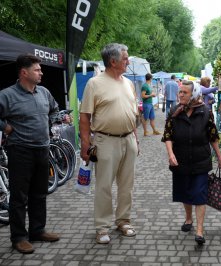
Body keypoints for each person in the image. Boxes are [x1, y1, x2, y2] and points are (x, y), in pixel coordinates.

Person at [0, 54, 60, 254]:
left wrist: (49, 124)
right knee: (19, 197)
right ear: (24, 73)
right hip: (20, 151)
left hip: (43, 149)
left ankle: (37, 230)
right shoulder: (7, 95)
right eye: (37, 70)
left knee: (40, 193)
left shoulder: (43, 92)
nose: (41, 73)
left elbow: (54, 109)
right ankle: (18, 237)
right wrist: (5, 127)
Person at [79, 43, 139, 245]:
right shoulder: (94, 84)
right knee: (104, 186)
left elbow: (133, 113)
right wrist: (85, 144)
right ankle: (102, 227)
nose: (128, 61)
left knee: (127, 185)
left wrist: (135, 137)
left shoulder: (128, 83)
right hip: (105, 140)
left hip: (128, 139)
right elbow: (85, 117)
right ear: (113, 61)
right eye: (125, 58)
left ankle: (123, 221)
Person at [162, 80, 221, 246]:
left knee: (199, 195)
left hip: (200, 160)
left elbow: (213, 136)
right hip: (180, 159)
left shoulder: (205, 112)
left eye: (184, 92)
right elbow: (168, 135)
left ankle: (199, 230)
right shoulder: (175, 111)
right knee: (185, 191)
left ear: (194, 95)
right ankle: (188, 218)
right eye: (180, 92)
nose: (180, 94)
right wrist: (170, 154)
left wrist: (219, 156)